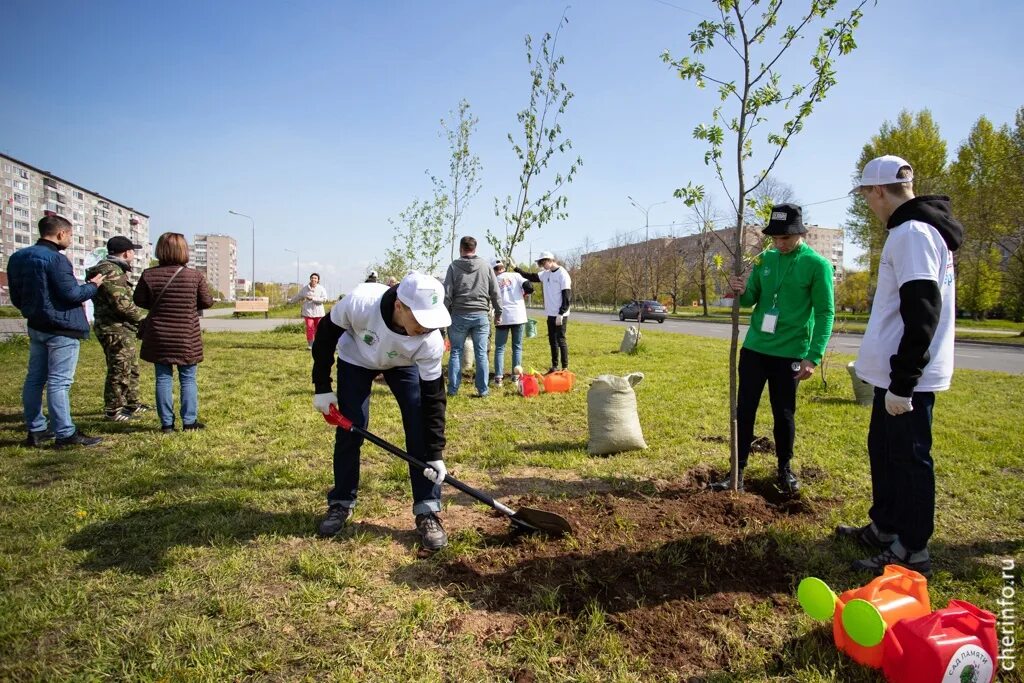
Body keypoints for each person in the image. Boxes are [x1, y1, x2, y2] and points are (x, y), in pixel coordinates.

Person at [837, 155, 962, 578]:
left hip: (906, 378)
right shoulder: (916, 231)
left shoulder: (912, 233)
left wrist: (904, 383)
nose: (868, 206)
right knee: (885, 452)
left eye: (867, 197)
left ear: (878, 191)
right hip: (892, 375)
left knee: (908, 460)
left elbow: (923, 308)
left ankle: (911, 549)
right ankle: (884, 526)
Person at [311, 272, 452, 551]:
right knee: (352, 427)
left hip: (404, 364)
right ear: (399, 306)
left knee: (417, 426)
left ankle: (427, 509)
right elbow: (325, 337)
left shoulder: (430, 341)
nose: (427, 328)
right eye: (421, 320)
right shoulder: (360, 303)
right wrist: (322, 386)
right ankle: (341, 502)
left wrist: (434, 454)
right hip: (357, 360)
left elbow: (433, 399)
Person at [709, 203, 835, 495]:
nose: (780, 243)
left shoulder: (817, 266)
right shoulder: (765, 259)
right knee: (745, 409)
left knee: (784, 413)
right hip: (755, 349)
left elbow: (826, 313)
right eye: (775, 238)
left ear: (800, 233)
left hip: (791, 353)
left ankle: (784, 469)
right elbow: (753, 298)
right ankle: (737, 472)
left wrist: (813, 356)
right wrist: (742, 288)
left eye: (786, 238)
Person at [8, 215, 105, 447]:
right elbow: (72, 294)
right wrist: (93, 286)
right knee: (59, 382)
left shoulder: (18, 257)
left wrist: (34, 310)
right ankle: (64, 432)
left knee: (34, 379)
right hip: (62, 328)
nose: (70, 240)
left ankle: (36, 430)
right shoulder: (56, 260)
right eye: (70, 235)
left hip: (36, 325)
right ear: (61, 234)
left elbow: (17, 296)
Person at [134, 233, 213, 433]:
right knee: (188, 378)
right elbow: (207, 302)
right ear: (184, 251)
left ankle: (167, 424)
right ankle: (189, 421)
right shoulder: (194, 276)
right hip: (186, 335)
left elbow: (139, 301)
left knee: (163, 378)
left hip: (159, 334)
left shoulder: (148, 275)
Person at [86, 236, 151, 422]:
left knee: (131, 366)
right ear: (126, 252)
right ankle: (113, 409)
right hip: (113, 328)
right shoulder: (110, 271)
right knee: (119, 368)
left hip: (122, 327)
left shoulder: (116, 270)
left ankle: (132, 403)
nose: (133, 255)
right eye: (132, 251)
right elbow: (121, 305)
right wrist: (145, 319)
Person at [443, 236, 501, 397]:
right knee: (481, 353)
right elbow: (495, 292)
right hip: (481, 316)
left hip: (459, 315)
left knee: (455, 352)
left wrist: (442, 315)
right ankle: (483, 390)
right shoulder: (486, 266)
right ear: (475, 248)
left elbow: (447, 294)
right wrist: (499, 312)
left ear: (461, 249)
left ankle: (453, 390)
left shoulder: (454, 267)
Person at [515, 251, 572, 373]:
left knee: (561, 339)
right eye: (541, 264)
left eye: (543, 263)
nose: (542, 266)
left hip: (560, 314)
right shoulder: (546, 274)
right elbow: (531, 276)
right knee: (552, 340)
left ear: (551, 260)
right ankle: (554, 366)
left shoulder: (563, 274)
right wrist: (516, 268)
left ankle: (565, 368)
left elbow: (566, 296)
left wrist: (561, 313)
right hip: (550, 314)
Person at [491, 258, 533, 386]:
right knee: (517, 347)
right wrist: (523, 293)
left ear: (494, 270)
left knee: (499, 348)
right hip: (518, 316)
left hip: (502, 316)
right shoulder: (516, 276)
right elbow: (530, 287)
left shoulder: (493, 280)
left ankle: (498, 378)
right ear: (503, 267)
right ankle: (516, 377)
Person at [288, 272, 329, 349]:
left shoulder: (321, 288)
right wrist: (291, 301)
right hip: (308, 312)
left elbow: (324, 299)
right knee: (309, 327)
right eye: (312, 278)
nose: (313, 279)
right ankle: (310, 344)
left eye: (315, 278)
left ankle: (318, 343)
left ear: (318, 280)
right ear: (310, 279)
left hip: (318, 312)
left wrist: (313, 299)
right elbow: (298, 296)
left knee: (319, 329)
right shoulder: (305, 289)